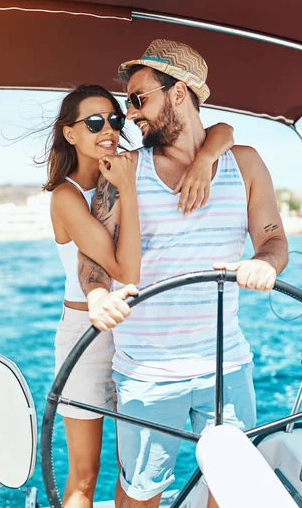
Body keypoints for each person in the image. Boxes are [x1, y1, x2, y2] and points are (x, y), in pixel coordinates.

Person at [77, 40, 288, 508]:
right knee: (141, 492)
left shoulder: (244, 163)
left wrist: (264, 263)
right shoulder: (124, 173)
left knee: (231, 489)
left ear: (178, 93)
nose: (130, 115)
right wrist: (96, 296)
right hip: (147, 374)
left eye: (138, 99)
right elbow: (93, 259)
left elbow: (273, 239)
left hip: (227, 365)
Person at [43, 83, 235, 508]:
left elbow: (222, 130)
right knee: (84, 476)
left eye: (113, 118)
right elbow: (125, 272)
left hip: (139, 338)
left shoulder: (131, 165)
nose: (108, 128)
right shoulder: (67, 197)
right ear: (69, 133)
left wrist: (204, 157)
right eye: (93, 122)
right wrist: (127, 188)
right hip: (88, 334)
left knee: (131, 468)